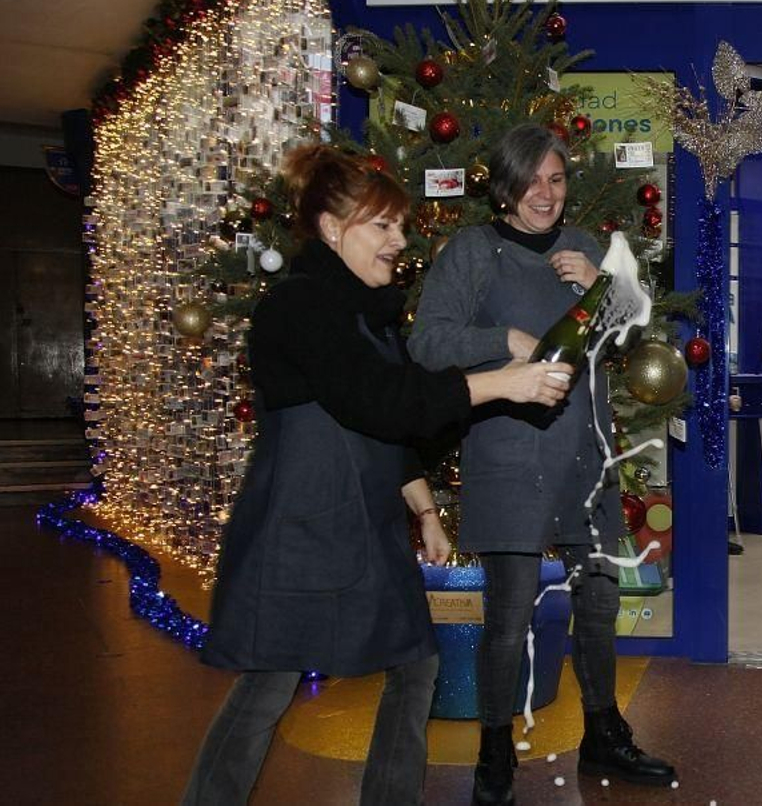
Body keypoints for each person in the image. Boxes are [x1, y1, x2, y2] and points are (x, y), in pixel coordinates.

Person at [185, 145, 574, 806]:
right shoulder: (297, 306)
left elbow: (392, 432)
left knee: (416, 664)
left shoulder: (369, 314)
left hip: (365, 525)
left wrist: (424, 510)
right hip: (301, 529)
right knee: (268, 686)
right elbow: (381, 402)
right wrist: (501, 382)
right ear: (332, 228)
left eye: (400, 226)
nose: (399, 240)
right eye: (383, 225)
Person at [408, 123, 676, 803]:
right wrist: (505, 340)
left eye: (555, 180)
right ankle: (495, 754)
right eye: (531, 181)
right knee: (508, 616)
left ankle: (604, 735)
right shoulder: (474, 250)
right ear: (504, 185)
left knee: (599, 603)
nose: (544, 194)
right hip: (508, 452)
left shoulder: (583, 245)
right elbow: (428, 343)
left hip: (585, 453)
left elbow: (629, 339)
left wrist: (603, 287)